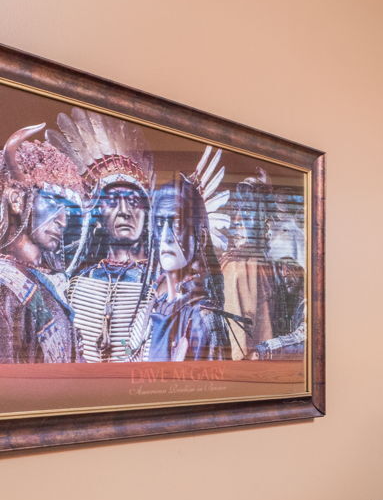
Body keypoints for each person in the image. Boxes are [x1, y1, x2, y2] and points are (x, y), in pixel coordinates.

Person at [53, 108, 155, 363]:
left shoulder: (159, 286)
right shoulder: (73, 285)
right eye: (112, 202)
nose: (124, 212)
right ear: (97, 216)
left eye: (134, 201)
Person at [0, 125, 82, 364]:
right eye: (53, 202)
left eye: (67, 209)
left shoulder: (45, 281)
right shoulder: (6, 286)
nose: (63, 220)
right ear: (17, 200)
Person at [141, 172, 245, 361]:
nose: (166, 236)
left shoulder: (203, 317)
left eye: (177, 224)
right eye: (159, 223)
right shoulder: (150, 303)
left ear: (201, 237)